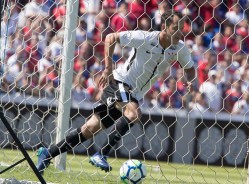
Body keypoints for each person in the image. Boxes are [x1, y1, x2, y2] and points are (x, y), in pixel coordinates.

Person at [36, 10, 196, 174]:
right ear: (164, 26)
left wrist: (190, 79)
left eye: (182, 28)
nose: (180, 32)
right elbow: (111, 37)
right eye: (176, 28)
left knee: (90, 128)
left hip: (133, 94)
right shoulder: (145, 38)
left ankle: (48, 153)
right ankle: (101, 154)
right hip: (120, 82)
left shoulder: (179, 49)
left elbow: (190, 69)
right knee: (134, 114)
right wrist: (108, 70)